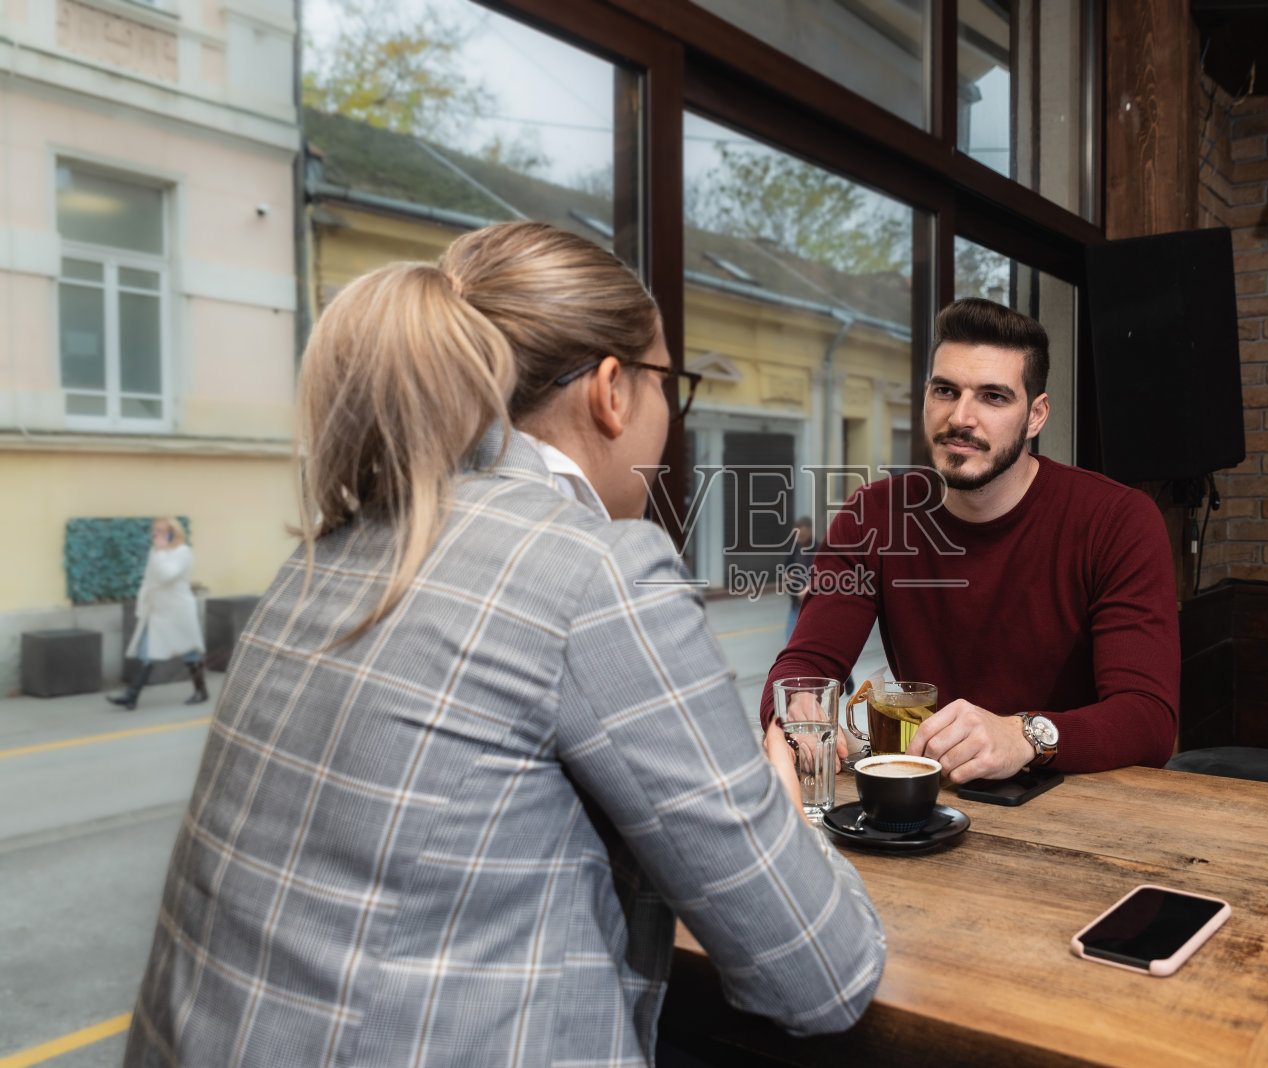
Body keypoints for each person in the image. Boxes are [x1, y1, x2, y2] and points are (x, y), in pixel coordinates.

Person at [125, 222, 884, 1067]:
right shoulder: (596, 569)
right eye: (673, 384)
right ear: (611, 391)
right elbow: (822, 975)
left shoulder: (323, 556)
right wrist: (784, 806)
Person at [761, 298, 1178, 782]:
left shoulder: (1118, 519)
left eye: (993, 397)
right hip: (934, 801)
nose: (960, 416)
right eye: (945, 390)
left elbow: (1148, 718)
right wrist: (793, 711)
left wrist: (1024, 735)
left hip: (1080, 800)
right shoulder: (873, 514)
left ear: (1036, 416)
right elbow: (809, 660)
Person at [107, 517, 207, 710]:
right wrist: (142, 602)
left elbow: (166, 576)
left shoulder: (182, 552)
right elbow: (149, 579)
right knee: (147, 652)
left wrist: (160, 552)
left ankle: (201, 691)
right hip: (158, 612)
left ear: (173, 532)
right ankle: (131, 696)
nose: (156, 534)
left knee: (190, 652)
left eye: (161, 531)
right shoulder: (157, 551)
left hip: (178, 611)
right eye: (155, 531)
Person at [782, 515, 815, 639]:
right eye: (796, 536)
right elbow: (786, 567)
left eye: (802, 536)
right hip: (796, 604)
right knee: (789, 640)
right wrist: (787, 576)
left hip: (812, 606)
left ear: (810, 531)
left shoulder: (818, 550)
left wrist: (810, 588)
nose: (799, 539)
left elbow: (824, 577)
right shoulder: (793, 548)